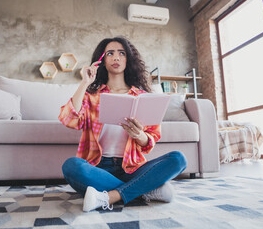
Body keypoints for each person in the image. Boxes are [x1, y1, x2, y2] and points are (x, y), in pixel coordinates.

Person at [58, 36, 187, 212]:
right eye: (110, 53)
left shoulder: (142, 96)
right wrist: (85, 83)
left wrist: (139, 135)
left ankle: (110, 196)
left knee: (178, 159)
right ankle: (144, 190)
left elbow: (151, 141)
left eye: (121, 53)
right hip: (98, 167)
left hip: (133, 168)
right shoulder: (91, 95)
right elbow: (69, 119)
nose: (116, 57)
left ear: (128, 59)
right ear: (102, 61)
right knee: (71, 166)